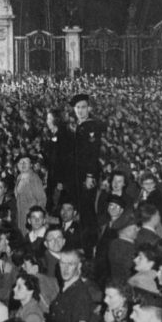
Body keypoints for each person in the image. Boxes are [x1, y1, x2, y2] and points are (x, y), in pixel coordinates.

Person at [48, 249, 101, 322]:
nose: (65, 268)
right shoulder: (65, 289)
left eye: (71, 264)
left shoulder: (81, 295)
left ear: (79, 266)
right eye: (62, 263)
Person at [69, 94, 105, 229]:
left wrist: (90, 175)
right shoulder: (78, 125)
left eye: (83, 107)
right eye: (77, 107)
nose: (80, 110)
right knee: (79, 206)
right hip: (77, 171)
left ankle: (90, 242)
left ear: (89, 108)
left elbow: (93, 153)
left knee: (87, 208)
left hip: (87, 173)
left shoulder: (92, 126)